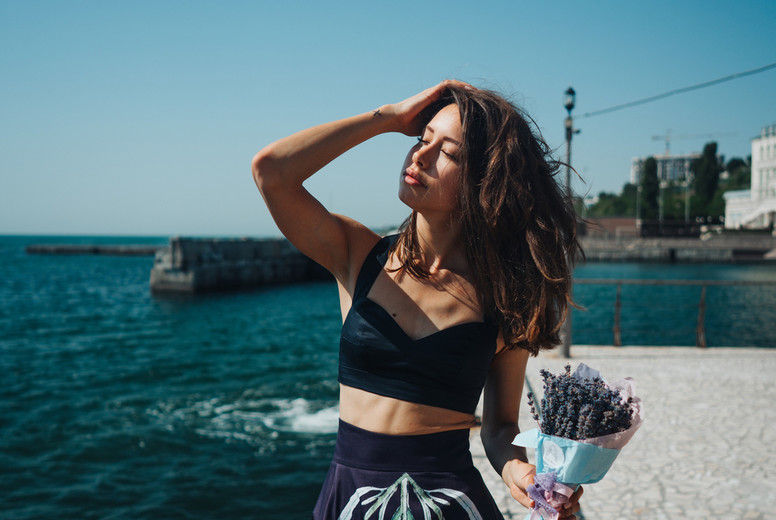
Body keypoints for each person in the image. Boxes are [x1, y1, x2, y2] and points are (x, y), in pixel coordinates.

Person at [252, 80, 583, 519]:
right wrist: (389, 119)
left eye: (447, 153)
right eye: (422, 140)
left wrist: (519, 473)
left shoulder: (507, 300)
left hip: (447, 506)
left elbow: (501, 428)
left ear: (484, 181)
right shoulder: (357, 255)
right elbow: (271, 171)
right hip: (350, 500)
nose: (419, 156)